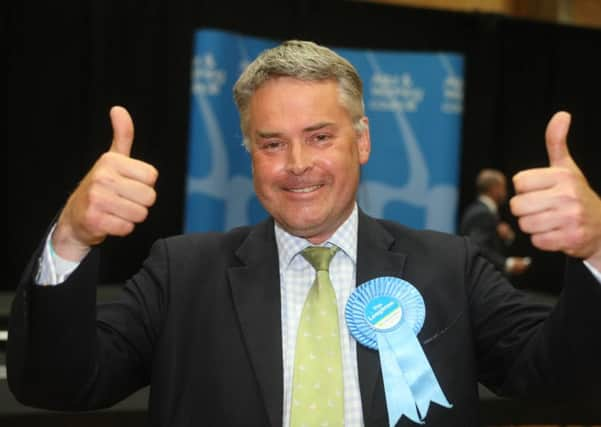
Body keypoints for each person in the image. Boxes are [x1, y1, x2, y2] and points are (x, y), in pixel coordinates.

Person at [7, 40, 601, 427]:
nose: (296, 163)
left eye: (320, 137)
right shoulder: (180, 271)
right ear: (250, 154)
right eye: (271, 143)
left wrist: (597, 248)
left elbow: (562, 377)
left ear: (362, 141)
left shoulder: (450, 265)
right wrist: (73, 238)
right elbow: (56, 385)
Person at [459, 169, 531, 276]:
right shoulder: (482, 213)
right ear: (494, 188)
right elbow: (478, 247)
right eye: (503, 186)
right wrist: (508, 264)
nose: (505, 191)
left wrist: (505, 237)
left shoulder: (480, 210)